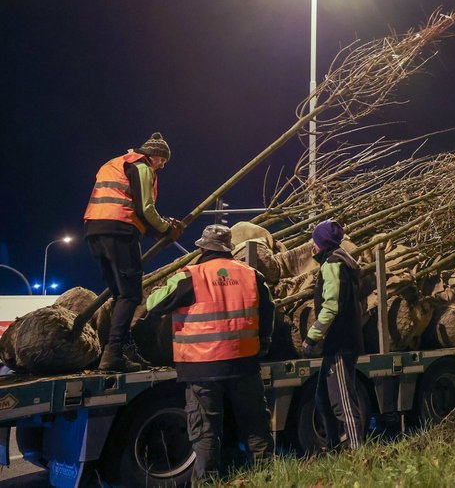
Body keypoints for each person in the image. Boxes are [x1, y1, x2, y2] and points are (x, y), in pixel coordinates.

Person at [143, 224, 275, 480]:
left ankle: (208, 481)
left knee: (205, 431)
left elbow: (153, 304)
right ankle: (266, 478)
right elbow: (268, 313)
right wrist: (263, 345)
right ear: (230, 249)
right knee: (255, 426)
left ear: (202, 248)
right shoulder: (252, 275)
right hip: (244, 363)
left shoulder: (190, 276)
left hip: (201, 366)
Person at [84, 132, 184, 372]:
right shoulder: (142, 166)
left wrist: (154, 232)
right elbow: (145, 207)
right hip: (119, 231)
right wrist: (166, 227)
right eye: (163, 160)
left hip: (95, 230)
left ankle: (118, 348)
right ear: (156, 155)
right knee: (130, 295)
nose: (163, 165)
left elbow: (128, 204)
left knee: (120, 295)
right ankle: (113, 353)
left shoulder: (116, 163)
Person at [301, 219, 365, 451]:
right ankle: (335, 444)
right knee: (323, 398)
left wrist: (311, 337)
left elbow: (331, 307)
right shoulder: (342, 261)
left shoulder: (332, 264)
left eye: (314, 240)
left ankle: (357, 451)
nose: (311, 244)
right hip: (342, 342)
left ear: (321, 243)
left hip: (340, 342)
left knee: (342, 401)